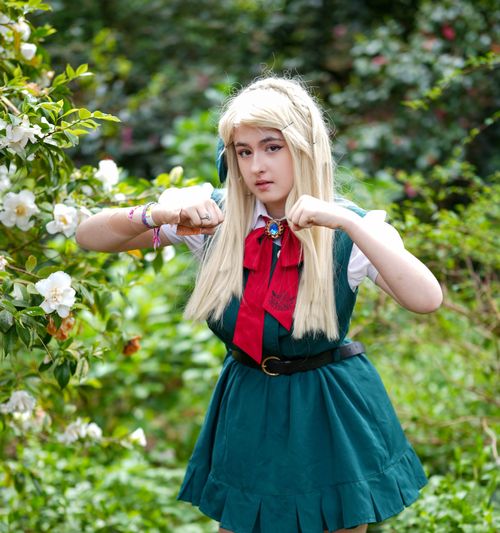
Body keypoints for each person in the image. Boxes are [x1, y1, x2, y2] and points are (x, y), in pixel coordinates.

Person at [76, 76, 443, 533]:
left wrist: (349, 223)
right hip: (248, 400)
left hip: (327, 409)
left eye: (272, 147)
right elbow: (87, 236)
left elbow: (427, 298)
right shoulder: (217, 218)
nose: (257, 166)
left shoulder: (349, 228)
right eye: (243, 151)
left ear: (304, 148)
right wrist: (155, 214)